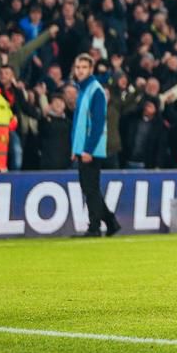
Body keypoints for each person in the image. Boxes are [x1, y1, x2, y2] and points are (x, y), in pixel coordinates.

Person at [70, 54, 121, 237]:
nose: (80, 70)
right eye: (78, 67)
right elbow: (79, 123)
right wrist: (74, 149)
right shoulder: (84, 90)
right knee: (90, 188)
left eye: (84, 67)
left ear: (90, 70)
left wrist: (88, 149)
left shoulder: (95, 90)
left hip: (91, 149)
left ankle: (95, 227)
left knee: (90, 188)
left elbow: (98, 123)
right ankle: (110, 222)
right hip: (83, 148)